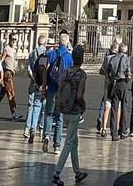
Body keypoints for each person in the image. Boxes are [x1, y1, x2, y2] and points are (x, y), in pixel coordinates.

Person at [52, 44, 88, 185]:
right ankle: (57, 172)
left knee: (74, 142)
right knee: (69, 143)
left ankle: (77, 171)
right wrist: (83, 105)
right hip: (74, 111)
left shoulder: (66, 72)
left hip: (64, 109)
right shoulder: (81, 74)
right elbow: (79, 95)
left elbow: (60, 88)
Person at [43, 30, 74, 153]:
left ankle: (46, 134)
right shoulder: (69, 57)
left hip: (51, 88)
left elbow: (45, 71)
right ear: (67, 43)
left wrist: (44, 86)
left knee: (49, 113)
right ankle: (57, 145)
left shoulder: (51, 54)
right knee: (59, 117)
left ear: (58, 42)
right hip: (63, 90)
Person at [25, 34, 50, 143]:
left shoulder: (32, 53)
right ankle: (41, 128)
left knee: (32, 106)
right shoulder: (47, 54)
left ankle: (29, 129)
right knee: (44, 108)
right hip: (44, 84)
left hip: (33, 83)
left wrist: (34, 80)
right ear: (45, 43)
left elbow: (29, 69)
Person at [106, 41, 130, 140]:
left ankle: (113, 132)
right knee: (124, 107)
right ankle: (122, 131)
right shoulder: (126, 60)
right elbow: (128, 73)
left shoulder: (112, 59)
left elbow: (107, 72)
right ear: (125, 51)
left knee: (114, 109)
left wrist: (111, 79)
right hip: (123, 83)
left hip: (114, 83)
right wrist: (127, 80)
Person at [96, 41, 119, 136]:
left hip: (108, 83)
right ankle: (116, 127)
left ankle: (103, 124)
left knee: (105, 102)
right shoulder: (120, 58)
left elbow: (102, 70)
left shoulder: (107, 58)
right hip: (117, 84)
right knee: (117, 105)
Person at [0, 35, 21, 121]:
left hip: (10, 72)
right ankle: (14, 113)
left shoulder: (13, 50)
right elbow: (2, 59)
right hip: (7, 73)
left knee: (1, 94)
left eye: (15, 39)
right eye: (12, 39)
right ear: (9, 39)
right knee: (11, 93)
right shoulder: (7, 49)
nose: (14, 41)